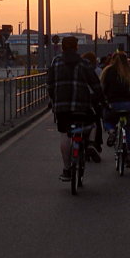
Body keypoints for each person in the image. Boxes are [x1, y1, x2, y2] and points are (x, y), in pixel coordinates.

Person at [47, 35, 104, 182]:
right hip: (81, 105)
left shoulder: (56, 62)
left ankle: (67, 169)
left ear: (62, 47)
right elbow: (95, 84)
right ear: (77, 47)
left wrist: (54, 99)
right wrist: (99, 99)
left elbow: (50, 84)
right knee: (92, 123)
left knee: (65, 134)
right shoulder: (84, 63)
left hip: (62, 107)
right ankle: (90, 144)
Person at [101, 50, 130, 167]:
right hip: (129, 105)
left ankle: (111, 131)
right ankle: (128, 157)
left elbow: (103, 88)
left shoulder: (108, 71)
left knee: (107, 119)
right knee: (129, 130)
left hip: (113, 104)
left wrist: (104, 101)